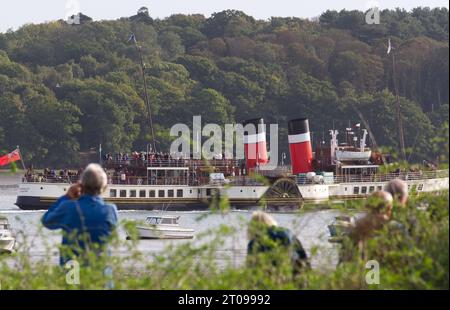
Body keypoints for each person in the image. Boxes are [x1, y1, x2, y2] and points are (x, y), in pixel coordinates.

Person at [42, 163, 118, 266]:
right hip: (100, 273)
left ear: (81, 186)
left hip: (73, 270)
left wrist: (66, 197)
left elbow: (46, 221)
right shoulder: (110, 210)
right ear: (104, 187)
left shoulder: (68, 207)